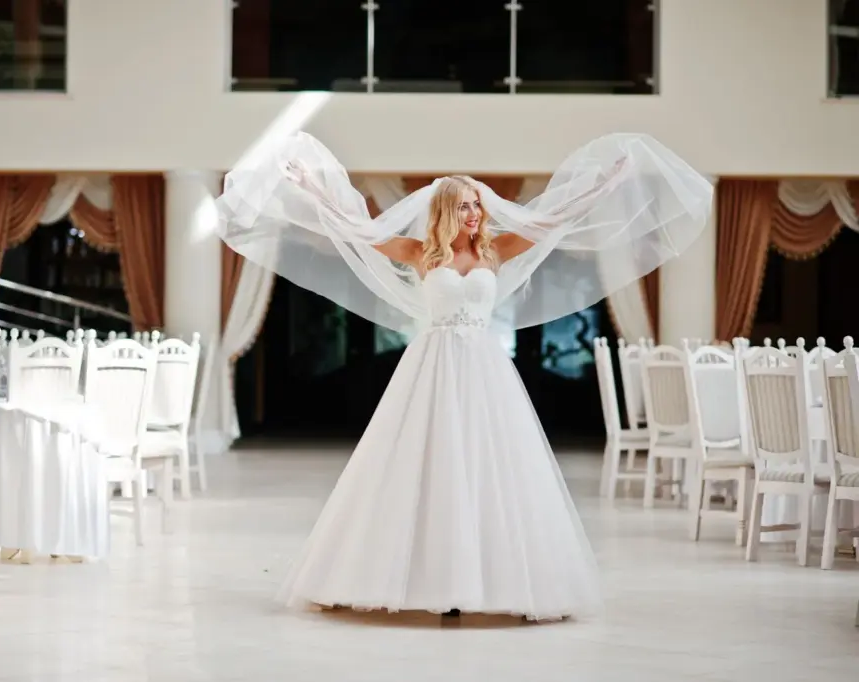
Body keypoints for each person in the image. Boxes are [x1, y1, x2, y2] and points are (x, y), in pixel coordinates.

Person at [215, 131, 712, 621]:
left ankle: (498, 581)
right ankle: (401, 577)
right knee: (422, 465)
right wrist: (310, 186)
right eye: (465, 206)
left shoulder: (495, 251)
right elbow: (355, 228)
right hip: (432, 367)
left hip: (483, 368)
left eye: (477, 205)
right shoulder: (420, 253)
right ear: (445, 212)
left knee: (488, 465)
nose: (474, 214)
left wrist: (603, 185)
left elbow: (555, 220)